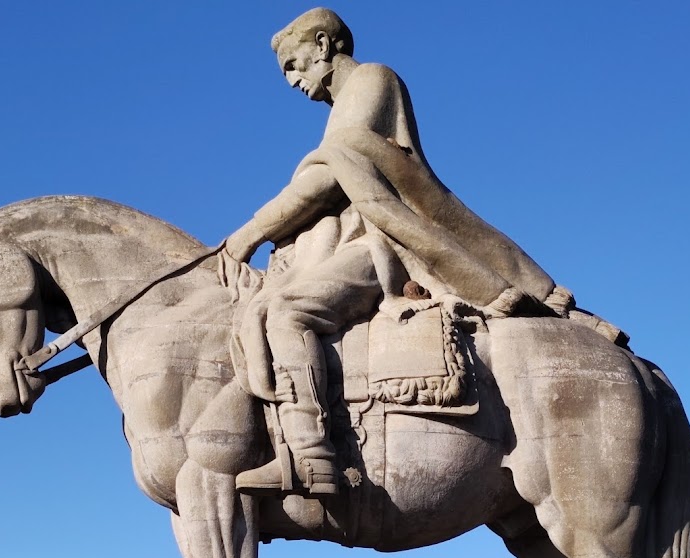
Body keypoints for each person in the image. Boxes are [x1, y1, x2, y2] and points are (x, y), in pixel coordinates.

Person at [226, 7, 567, 498]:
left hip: (385, 245)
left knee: (286, 311)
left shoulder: (371, 80)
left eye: (294, 64)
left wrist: (250, 233)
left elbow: (329, 180)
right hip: (354, 238)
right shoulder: (347, 104)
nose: (291, 80)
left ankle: (311, 456)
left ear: (323, 46)